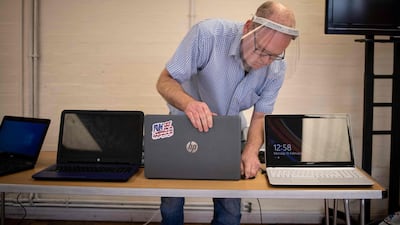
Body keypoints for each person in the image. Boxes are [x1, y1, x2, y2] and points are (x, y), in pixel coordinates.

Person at [155, 1, 298, 225]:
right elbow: (165, 81)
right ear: (248, 27)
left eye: (274, 55)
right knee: (172, 201)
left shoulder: (277, 68)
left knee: (230, 207)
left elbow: (260, 116)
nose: (265, 61)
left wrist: (251, 151)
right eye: (261, 51)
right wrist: (189, 103)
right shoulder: (208, 35)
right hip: (184, 122)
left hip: (229, 130)